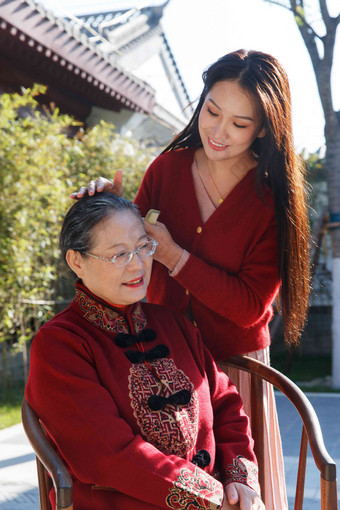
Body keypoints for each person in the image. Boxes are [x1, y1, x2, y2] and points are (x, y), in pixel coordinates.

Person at [72, 49, 311, 509]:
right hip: (158, 359)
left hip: (234, 368)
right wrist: (108, 205)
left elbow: (249, 307)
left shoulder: (271, 199)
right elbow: (132, 240)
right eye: (211, 112)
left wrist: (177, 257)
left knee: (240, 493)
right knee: (162, 487)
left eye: (240, 124)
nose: (219, 132)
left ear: (264, 127)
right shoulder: (168, 169)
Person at [25, 193, 265, 510]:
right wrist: (212, 498)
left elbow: (224, 404)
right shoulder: (61, 343)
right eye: (119, 254)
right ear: (76, 261)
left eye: (142, 247)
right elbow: (109, 456)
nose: (138, 264)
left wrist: (239, 479)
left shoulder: (174, 324)